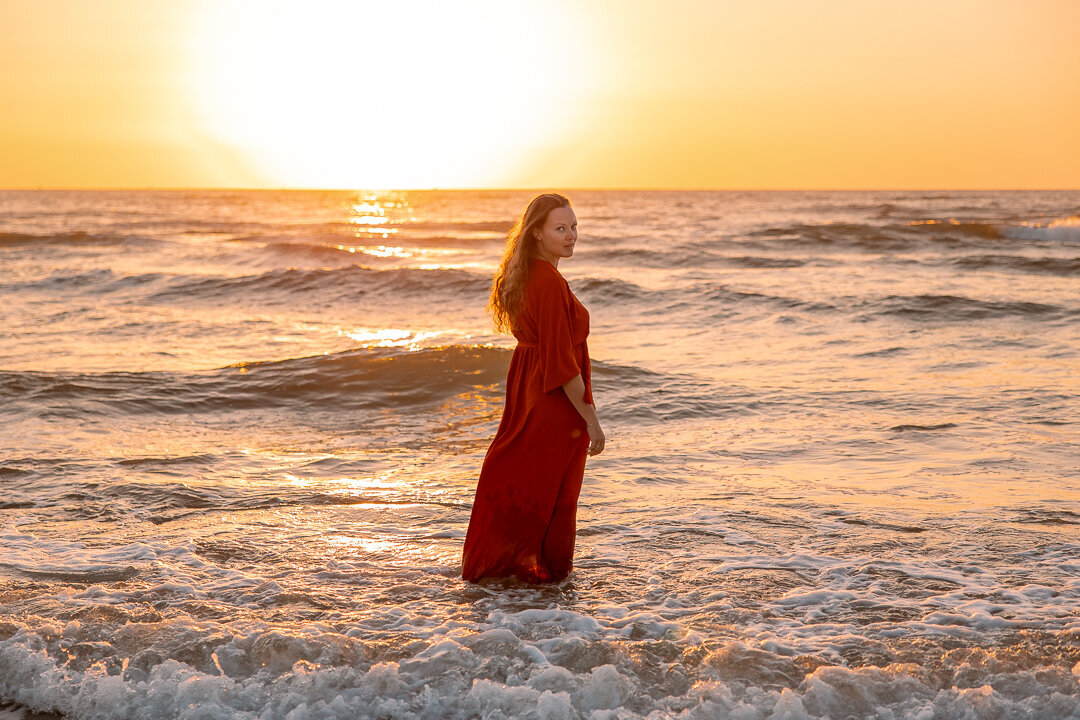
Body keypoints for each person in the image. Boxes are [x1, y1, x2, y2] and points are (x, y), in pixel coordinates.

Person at [461, 193, 605, 584]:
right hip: (553, 402)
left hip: (529, 389)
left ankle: (509, 577)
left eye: (574, 226)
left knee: (524, 479)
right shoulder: (546, 281)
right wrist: (591, 419)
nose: (571, 235)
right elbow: (562, 365)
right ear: (537, 234)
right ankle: (543, 582)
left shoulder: (531, 274)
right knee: (550, 493)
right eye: (560, 228)